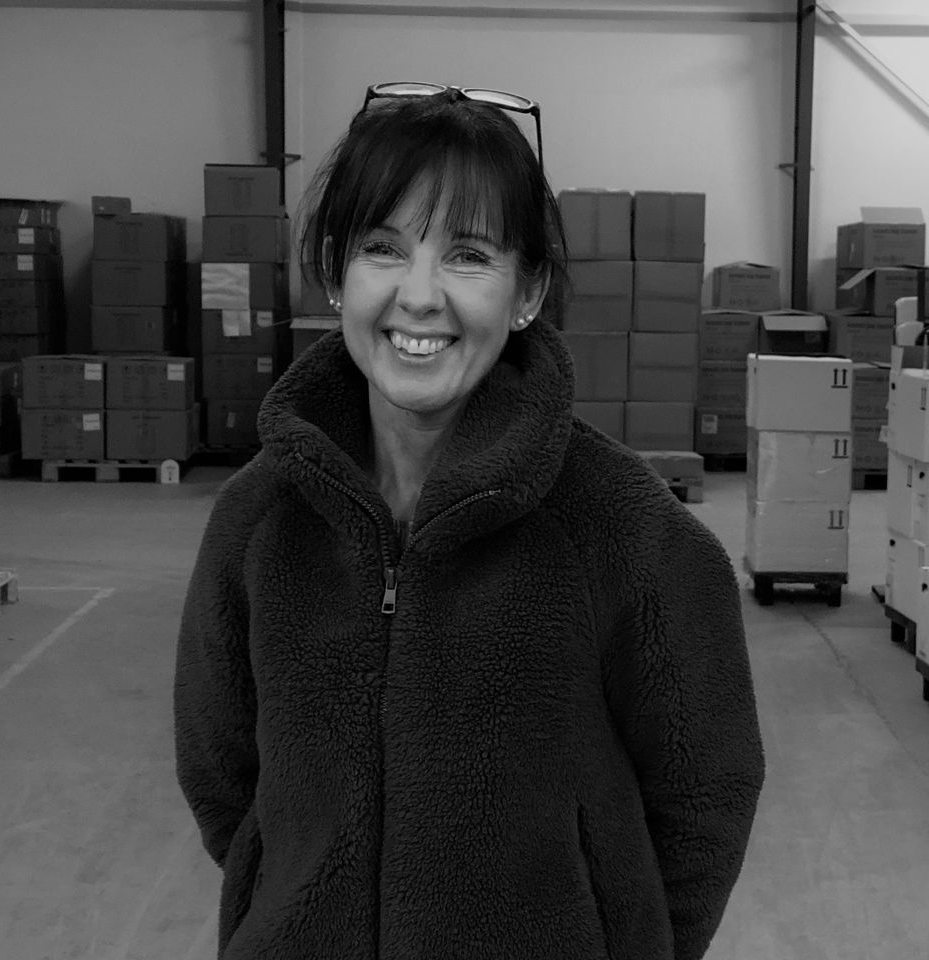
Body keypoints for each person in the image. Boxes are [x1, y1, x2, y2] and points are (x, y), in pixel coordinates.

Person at [174, 82, 766, 960]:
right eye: (384, 248)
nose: (419, 296)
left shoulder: (628, 532)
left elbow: (707, 788)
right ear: (336, 272)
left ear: (527, 291)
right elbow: (222, 776)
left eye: (468, 255)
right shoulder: (259, 521)